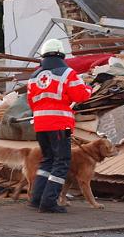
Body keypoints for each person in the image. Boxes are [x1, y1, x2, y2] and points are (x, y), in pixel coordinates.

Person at [26, 38, 92, 214]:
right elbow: (81, 96)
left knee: (47, 160)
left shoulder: (34, 76)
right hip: (60, 124)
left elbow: (31, 102)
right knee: (62, 161)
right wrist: (89, 87)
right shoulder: (67, 73)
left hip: (40, 125)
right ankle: (49, 202)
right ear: (61, 54)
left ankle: (37, 198)